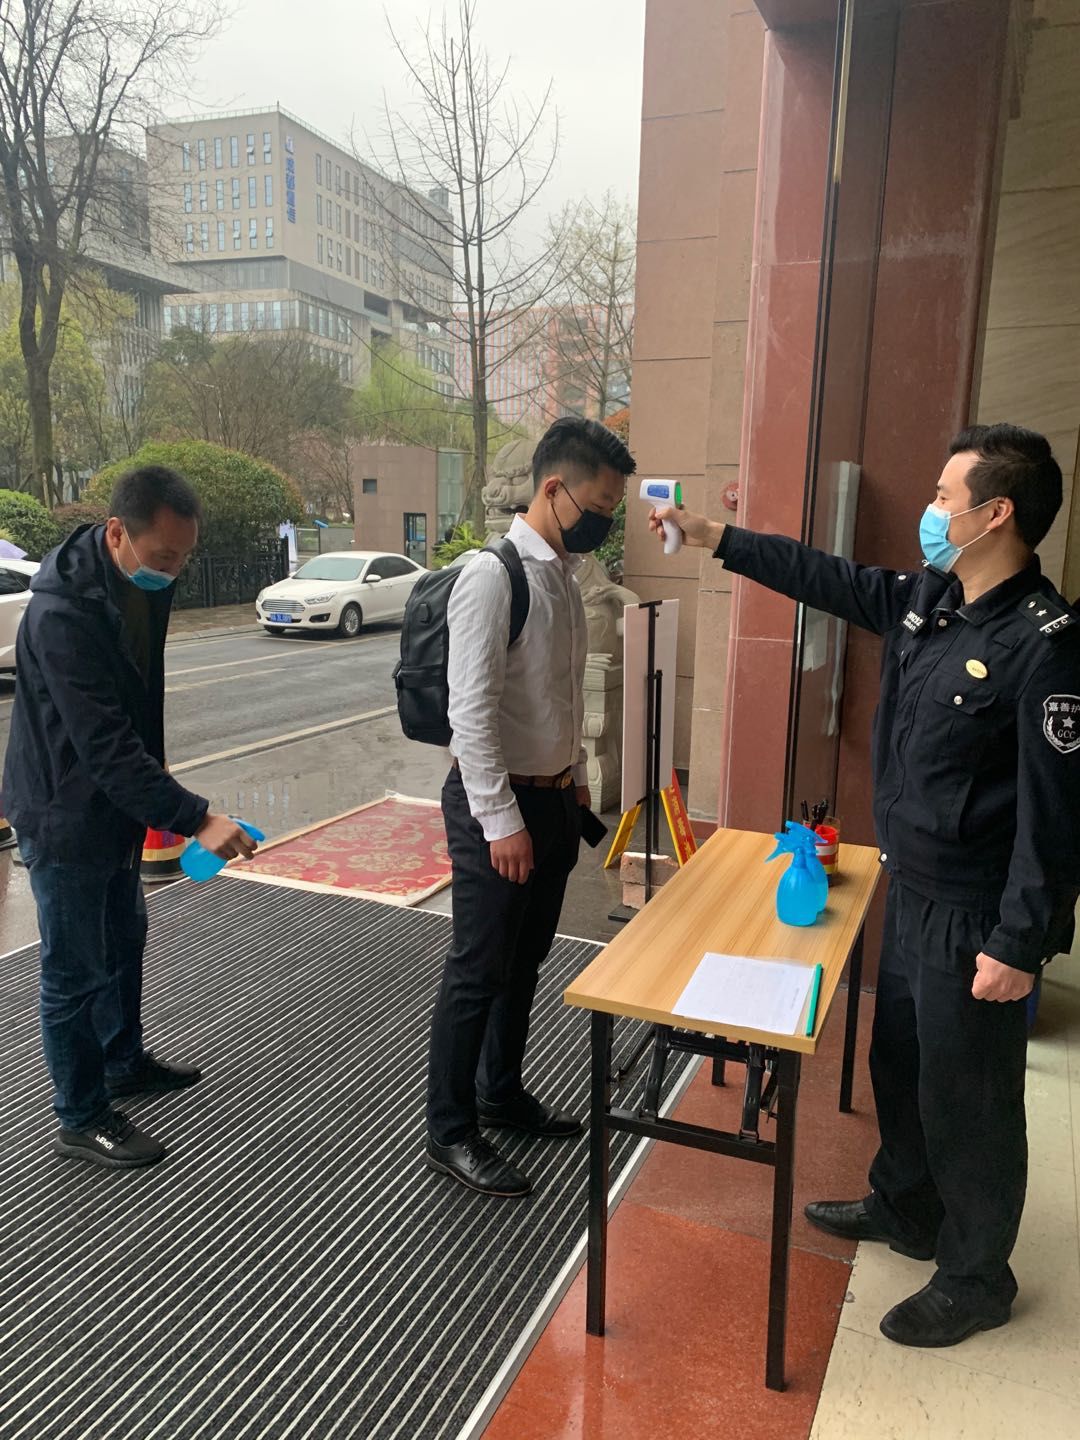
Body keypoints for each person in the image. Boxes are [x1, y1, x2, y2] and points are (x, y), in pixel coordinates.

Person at [650, 424, 1080, 1347]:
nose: (931, 510)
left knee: (970, 1099)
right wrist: (717, 538)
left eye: (943, 496)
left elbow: (1058, 819)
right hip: (911, 890)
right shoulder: (934, 599)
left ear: (996, 514)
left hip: (975, 913)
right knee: (903, 1062)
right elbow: (828, 578)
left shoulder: (1045, 647)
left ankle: (977, 1276)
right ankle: (906, 1206)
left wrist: (1019, 943)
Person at [2, 466, 259, 1170]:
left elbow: (137, 704)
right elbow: (104, 744)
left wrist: (157, 781)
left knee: (124, 938)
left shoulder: (139, 583)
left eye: (183, 558)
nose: (172, 572)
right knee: (74, 969)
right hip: (63, 813)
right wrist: (195, 818)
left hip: (114, 805)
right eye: (164, 557)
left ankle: (123, 1063)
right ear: (117, 532)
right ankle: (80, 1116)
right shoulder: (62, 615)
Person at [427, 417, 635, 1198]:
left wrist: (573, 782)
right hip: (499, 805)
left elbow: (559, 696)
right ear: (554, 488)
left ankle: (501, 1093)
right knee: (477, 968)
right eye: (600, 504)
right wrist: (501, 820)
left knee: (524, 961)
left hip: (550, 802)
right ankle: (450, 1130)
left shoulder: (566, 579)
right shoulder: (493, 576)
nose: (605, 519)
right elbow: (471, 714)